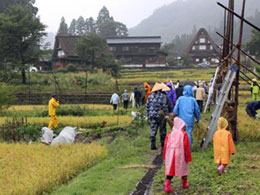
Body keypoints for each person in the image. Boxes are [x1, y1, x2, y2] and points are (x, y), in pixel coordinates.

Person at [163, 117, 192, 193]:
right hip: (181, 154)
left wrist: (165, 156)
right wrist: (188, 157)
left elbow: (165, 145)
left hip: (171, 154)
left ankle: (167, 186)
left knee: (170, 171)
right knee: (184, 168)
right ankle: (184, 183)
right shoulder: (184, 134)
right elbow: (186, 146)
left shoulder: (170, 134)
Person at [174, 85, 200, 150]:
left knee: (181, 132)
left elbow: (175, 109)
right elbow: (197, 110)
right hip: (190, 119)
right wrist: (198, 118)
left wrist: (177, 115)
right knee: (188, 132)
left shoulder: (180, 99)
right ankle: (188, 148)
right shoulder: (193, 100)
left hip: (181, 119)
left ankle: (180, 147)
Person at [146, 83, 169, 150]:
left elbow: (147, 106)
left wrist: (148, 114)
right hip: (160, 115)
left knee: (153, 130)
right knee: (162, 130)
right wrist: (166, 114)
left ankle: (153, 144)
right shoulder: (163, 96)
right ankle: (163, 144)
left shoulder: (150, 96)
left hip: (152, 115)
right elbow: (164, 106)